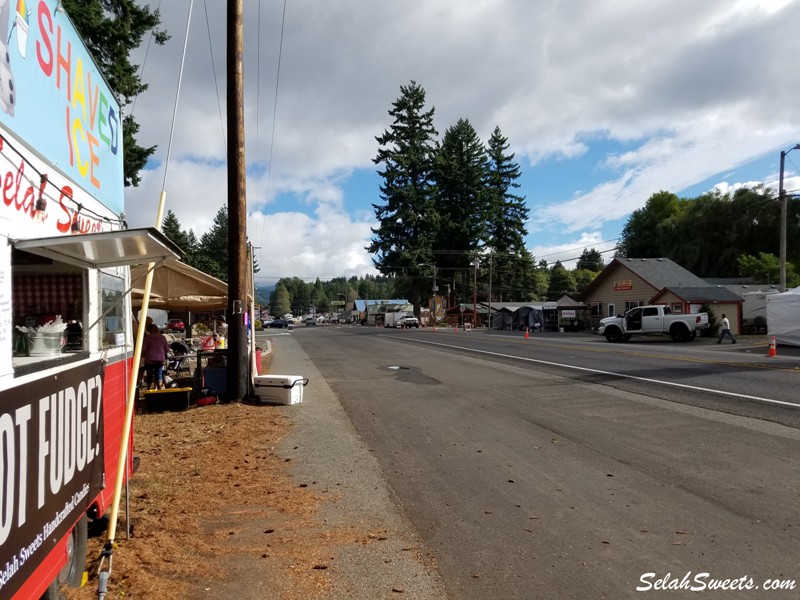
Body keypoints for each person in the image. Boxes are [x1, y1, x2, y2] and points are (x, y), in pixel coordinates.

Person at [142, 323, 170, 389]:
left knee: (149, 374)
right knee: (159, 374)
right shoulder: (162, 337)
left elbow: (144, 349)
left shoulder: (147, 338)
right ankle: (158, 388)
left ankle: (149, 388)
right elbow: (167, 349)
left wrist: (142, 356)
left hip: (150, 359)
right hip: (160, 359)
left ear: (149, 330)